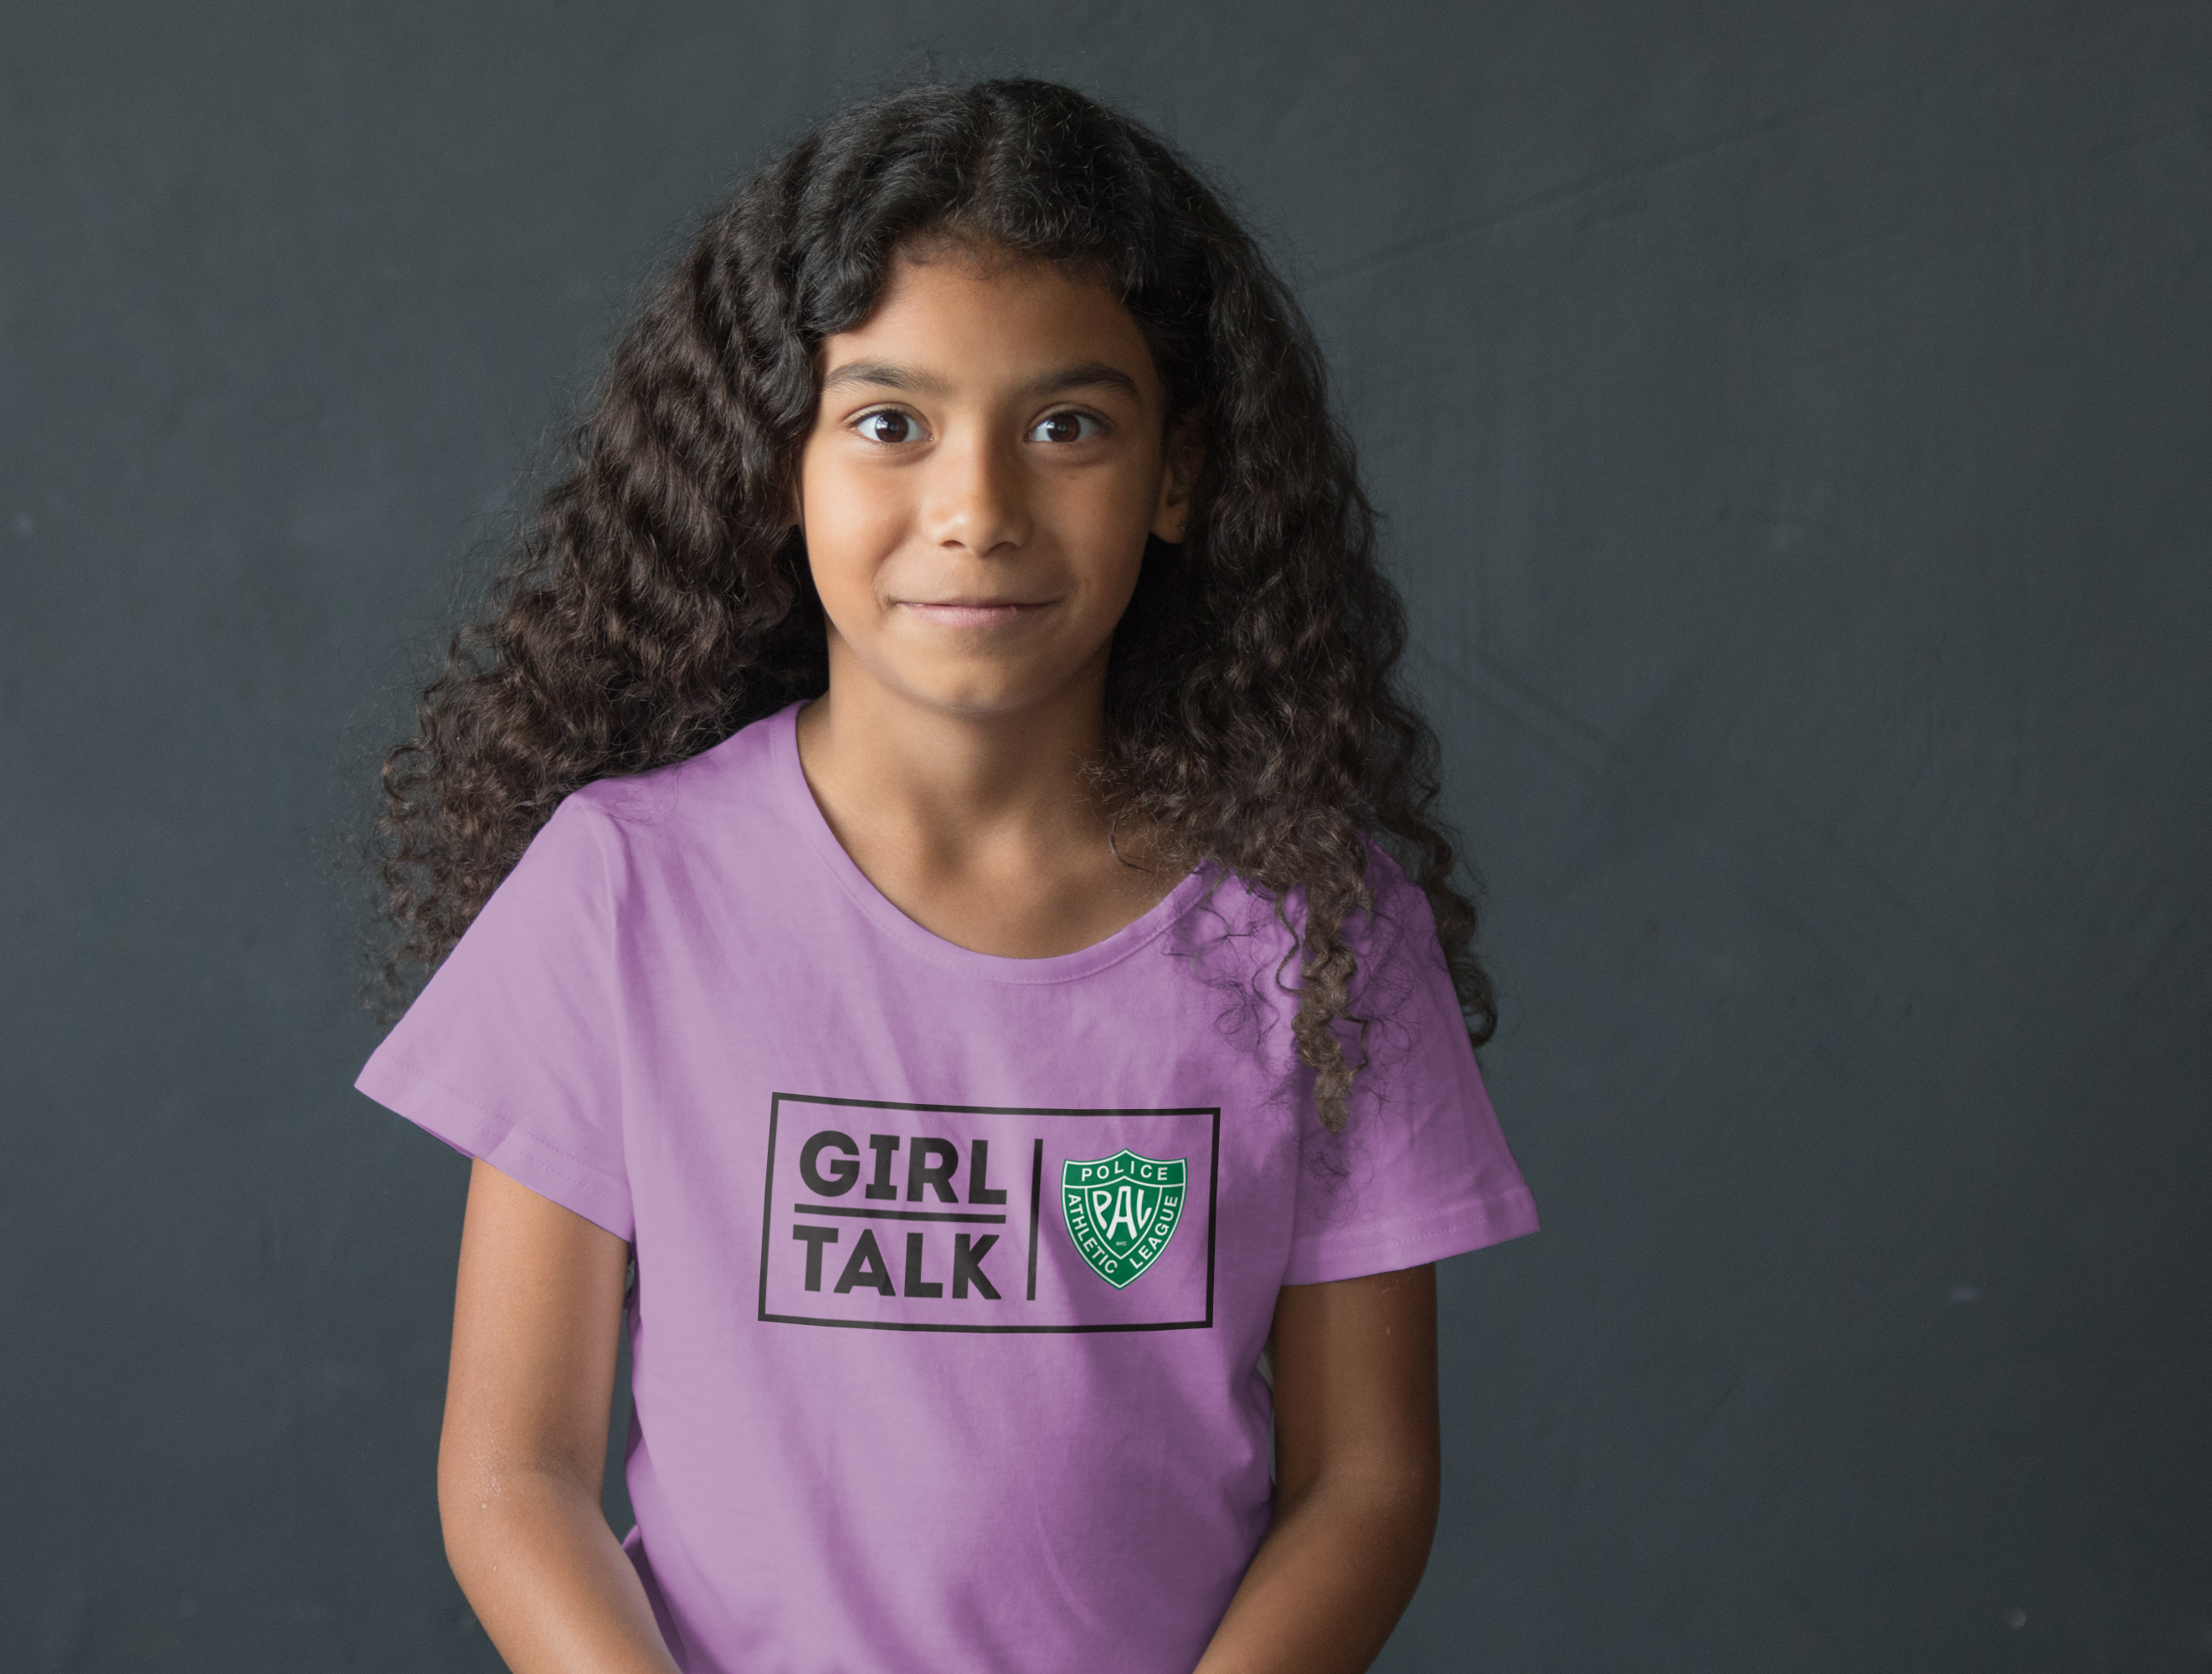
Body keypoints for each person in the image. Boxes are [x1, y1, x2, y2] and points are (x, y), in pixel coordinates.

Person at [356, 76, 1539, 1674]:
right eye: (889, 423)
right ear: (780, 460)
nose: (975, 510)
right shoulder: (626, 890)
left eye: (1066, 426)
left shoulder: (1316, 933)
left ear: (1179, 477)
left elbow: (1368, 1478)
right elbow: (517, 1472)